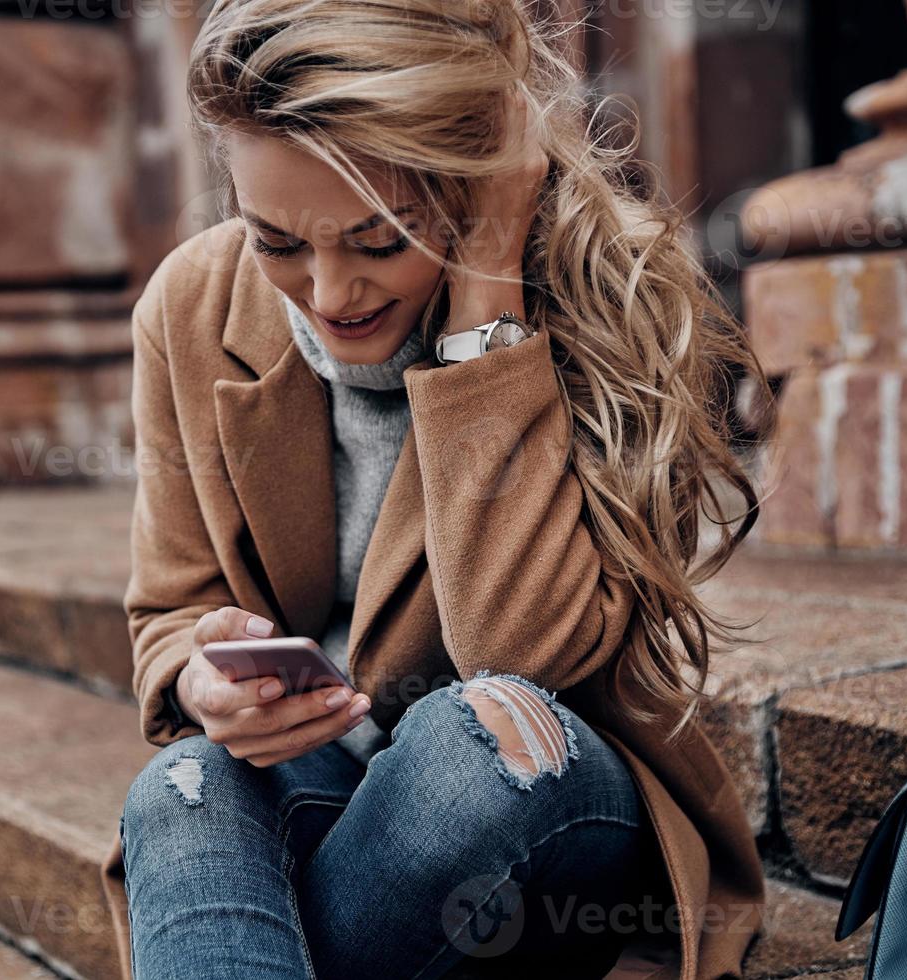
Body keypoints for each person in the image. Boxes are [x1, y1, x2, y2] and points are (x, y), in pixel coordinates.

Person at [99, 1, 776, 978]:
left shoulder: (605, 291)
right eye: (278, 241)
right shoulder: (189, 306)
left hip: (540, 796)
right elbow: (171, 608)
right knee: (185, 786)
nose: (330, 295)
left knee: (474, 749)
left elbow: (523, 652)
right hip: (317, 785)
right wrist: (201, 677)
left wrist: (487, 307)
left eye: (379, 241)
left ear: (471, 185)